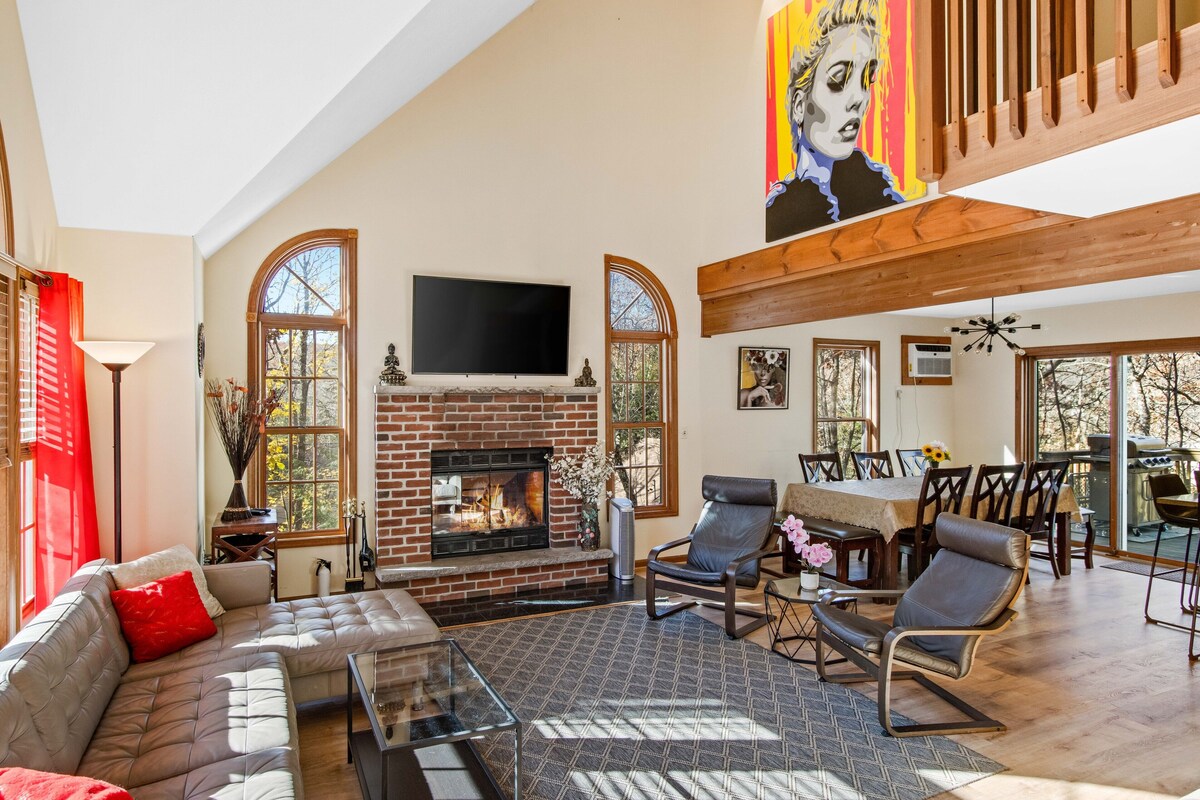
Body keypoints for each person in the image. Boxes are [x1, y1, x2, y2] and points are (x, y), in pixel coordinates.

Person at [766, 0, 905, 242]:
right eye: (838, 80)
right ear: (799, 105)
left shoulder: (882, 195)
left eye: (867, 80)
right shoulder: (778, 213)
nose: (858, 98)